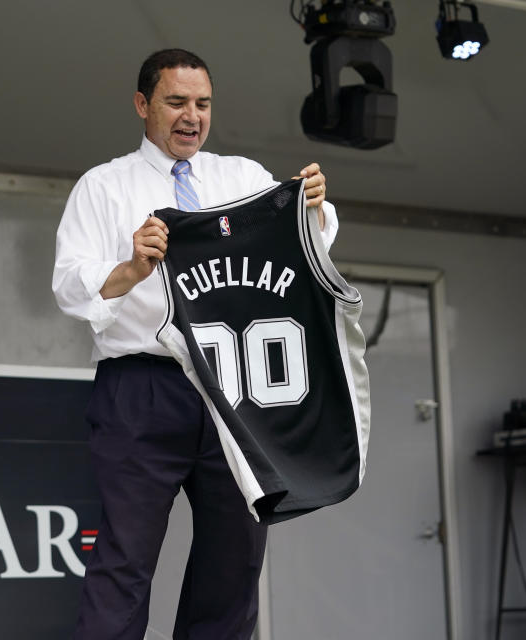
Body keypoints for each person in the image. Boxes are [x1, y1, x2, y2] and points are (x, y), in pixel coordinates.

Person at [51, 48, 339, 640]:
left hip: (234, 388)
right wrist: (132, 267)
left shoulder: (243, 179)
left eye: (202, 104)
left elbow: (300, 252)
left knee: (234, 561)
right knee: (125, 560)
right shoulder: (103, 187)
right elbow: (68, 286)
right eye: (176, 102)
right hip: (142, 386)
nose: (192, 116)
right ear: (142, 105)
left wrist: (311, 207)